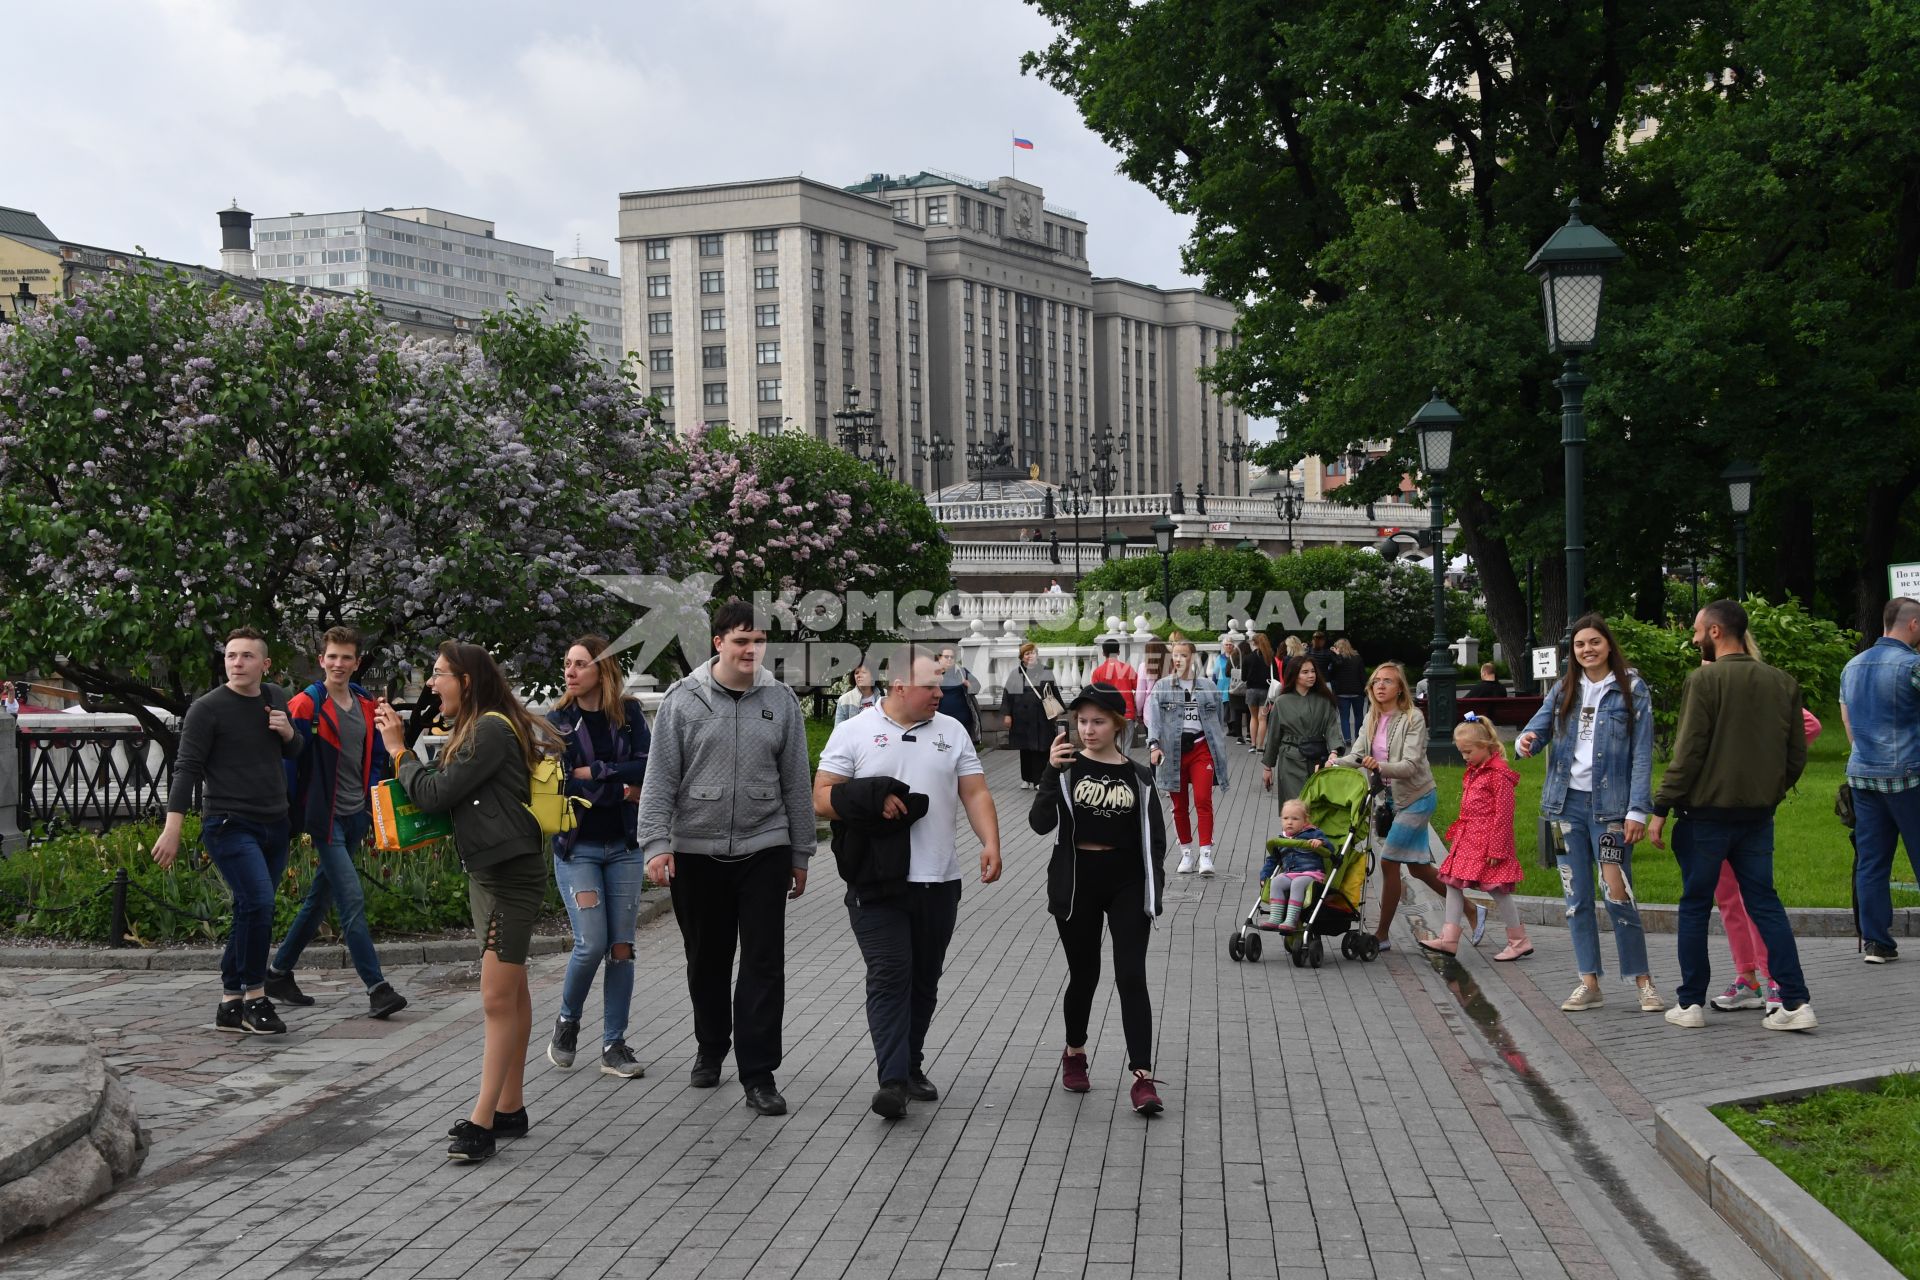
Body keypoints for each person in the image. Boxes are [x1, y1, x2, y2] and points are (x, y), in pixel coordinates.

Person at [374, 641, 552, 1162]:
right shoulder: (479, 728)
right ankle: (511, 1108)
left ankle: (481, 1122)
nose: (432, 683)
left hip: (510, 877)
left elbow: (433, 794)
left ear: (467, 680)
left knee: (497, 999)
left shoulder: (490, 728)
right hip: (490, 871)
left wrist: (399, 751)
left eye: (439, 674)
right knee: (511, 993)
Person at [637, 600, 816, 1116]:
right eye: (741, 640)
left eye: (758, 641)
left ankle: (759, 1073)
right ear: (718, 643)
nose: (750, 650)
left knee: (763, 962)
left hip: (766, 846)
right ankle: (711, 1045)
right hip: (696, 850)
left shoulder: (780, 701)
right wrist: (656, 845)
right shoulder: (683, 700)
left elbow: (796, 784)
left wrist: (800, 852)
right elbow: (660, 778)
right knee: (707, 960)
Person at [815, 648, 1003, 1119]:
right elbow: (821, 798)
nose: (941, 692)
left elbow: (975, 791)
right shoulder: (853, 731)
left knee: (923, 979)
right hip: (875, 880)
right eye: (932, 685)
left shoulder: (952, 731)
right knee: (889, 976)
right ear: (899, 686)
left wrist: (991, 843)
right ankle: (892, 1081)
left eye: (942, 684)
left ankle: (911, 1064)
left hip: (939, 877)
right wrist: (869, 801)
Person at [1648, 601, 1814, 1033]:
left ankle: (1690, 1003)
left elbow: (1688, 752)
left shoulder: (1704, 680)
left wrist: (1661, 807)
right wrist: (1771, 790)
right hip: (1758, 815)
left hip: (1705, 816)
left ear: (1717, 632)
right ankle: (1795, 1002)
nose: (1694, 637)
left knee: (1695, 906)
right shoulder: (1782, 681)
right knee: (1765, 903)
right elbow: (1795, 754)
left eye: (1698, 630)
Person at [152, 627, 305, 1037]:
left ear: (265, 664)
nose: (237, 663)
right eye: (232, 656)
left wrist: (288, 732)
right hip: (228, 824)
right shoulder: (208, 709)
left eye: (247, 657)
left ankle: (229, 1003)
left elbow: (294, 750)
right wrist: (173, 829)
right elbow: (187, 769)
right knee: (259, 903)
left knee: (249, 910)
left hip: (276, 823)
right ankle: (256, 997)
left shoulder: (274, 697)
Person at [1515, 614, 1664, 1013]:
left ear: (1608, 645)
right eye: (1580, 645)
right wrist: (1526, 741)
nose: (1587, 650)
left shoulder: (1631, 688)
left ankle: (1643, 982)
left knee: (1618, 894)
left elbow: (1643, 754)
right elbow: (1534, 731)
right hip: (1565, 810)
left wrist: (1637, 809)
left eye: (1594, 642)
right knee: (1575, 898)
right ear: (1573, 652)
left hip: (1611, 812)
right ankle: (1588, 982)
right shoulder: (1566, 688)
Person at [1030, 683, 1167, 1114]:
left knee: (1131, 976)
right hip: (1078, 883)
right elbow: (1038, 824)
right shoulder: (1067, 768)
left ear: (1118, 725)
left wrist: (1153, 888)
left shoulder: (1139, 775)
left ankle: (1142, 1077)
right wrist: (1050, 772)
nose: (1088, 730)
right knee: (1085, 974)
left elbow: (1155, 839)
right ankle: (1075, 1053)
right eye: (1082, 721)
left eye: (1098, 722)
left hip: (1126, 882)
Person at [265, 626, 408, 1021]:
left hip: (355, 815)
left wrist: (371, 809)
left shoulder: (366, 704)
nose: (339, 664)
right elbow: (286, 761)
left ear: (357, 662)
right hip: (324, 819)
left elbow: (376, 758)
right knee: (352, 899)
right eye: (332, 656)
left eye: (346, 657)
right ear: (321, 659)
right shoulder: (305, 705)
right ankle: (377, 988)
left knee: (320, 899)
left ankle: (278, 973)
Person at [544, 635, 653, 1079]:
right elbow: (564, 781)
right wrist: (622, 790)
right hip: (578, 848)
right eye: (567, 663)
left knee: (622, 948)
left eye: (580, 664)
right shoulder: (558, 720)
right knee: (591, 942)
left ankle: (614, 1044)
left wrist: (601, 774)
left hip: (624, 848)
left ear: (601, 670)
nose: (570, 672)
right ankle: (568, 1021)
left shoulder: (627, 715)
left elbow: (650, 766)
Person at [1328, 662, 1458, 952]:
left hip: (1417, 797)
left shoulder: (1413, 718)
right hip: (1388, 800)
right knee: (1419, 869)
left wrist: (1379, 766)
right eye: (1376, 681)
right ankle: (1472, 910)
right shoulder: (1372, 717)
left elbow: (1411, 766)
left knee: (1388, 862)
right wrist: (1333, 762)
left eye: (1388, 681)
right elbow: (1358, 754)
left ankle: (1382, 934)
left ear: (1400, 688)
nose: (1381, 685)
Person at [1839, 596, 1920, 966]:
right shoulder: (1912, 666)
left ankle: (1876, 942)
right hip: (1907, 776)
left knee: (1871, 862)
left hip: (1863, 775)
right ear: (1913, 624)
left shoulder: (1852, 666)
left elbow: (1847, 722)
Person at [1420, 718, 1530, 958]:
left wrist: (1497, 849)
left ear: (1485, 745)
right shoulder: (1477, 771)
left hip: (1488, 843)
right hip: (1469, 840)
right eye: (1462, 752)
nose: (1464, 757)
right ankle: (1449, 938)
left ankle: (1518, 940)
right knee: (1452, 883)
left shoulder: (1498, 775)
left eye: (1468, 751)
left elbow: (1503, 814)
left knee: (1498, 890)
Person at [1145, 639, 1231, 876]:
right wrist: (1153, 746)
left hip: (1201, 749)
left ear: (1193, 657)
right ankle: (1186, 853)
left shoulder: (1208, 687)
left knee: (1203, 800)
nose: (1178, 659)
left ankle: (1205, 855)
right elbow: (1153, 720)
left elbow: (1218, 719)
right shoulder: (1162, 687)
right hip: (1172, 752)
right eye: (1175, 655)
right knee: (1179, 805)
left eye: (1183, 654)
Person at [1262, 655, 1339, 818]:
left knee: (1316, 807)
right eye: (1305, 672)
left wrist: (1334, 752)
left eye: (1313, 671)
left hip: (1319, 761)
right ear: (1295, 675)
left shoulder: (1324, 700)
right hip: (1290, 760)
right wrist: (1268, 767)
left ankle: (1313, 840)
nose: (1311, 675)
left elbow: (1332, 728)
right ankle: (1294, 841)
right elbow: (1274, 736)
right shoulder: (1282, 702)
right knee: (1295, 808)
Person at [1259, 799, 1332, 933]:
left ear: (1305, 821)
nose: (1289, 822)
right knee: (1276, 882)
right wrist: (1264, 876)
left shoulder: (1312, 833)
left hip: (1311, 874)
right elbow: (1272, 860)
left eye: (1295, 818)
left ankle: (1291, 920)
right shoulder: (1281, 839)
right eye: (1285, 818)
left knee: (1297, 883)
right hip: (1290, 874)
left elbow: (1330, 847)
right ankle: (1275, 918)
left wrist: (1320, 842)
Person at [1004, 642, 1062, 791]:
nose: (1030, 656)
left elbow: (1053, 691)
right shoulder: (1016, 673)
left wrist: (1055, 711)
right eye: (1027, 653)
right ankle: (1026, 778)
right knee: (1025, 749)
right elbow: (1008, 695)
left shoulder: (1045, 671)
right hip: (1021, 717)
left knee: (1041, 749)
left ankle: (1039, 780)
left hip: (1041, 716)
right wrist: (1007, 714)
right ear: (1022, 657)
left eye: (1033, 652)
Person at [935, 645, 980, 744]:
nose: (950, 659)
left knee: (964, 748)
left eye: (952, 657)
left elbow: (977, 687)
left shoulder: (961, 671)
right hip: (941, 720)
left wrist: (967, 683)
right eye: (946, 657)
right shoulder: (933, 673)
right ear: (939, 658)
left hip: (963, 719)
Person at [1089, 639, 1139, 724]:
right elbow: (1139, 688)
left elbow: (1095, 695)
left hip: (1107, 714)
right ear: (1118, 652)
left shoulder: (1097, 672)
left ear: (1103, 653)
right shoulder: (1128, 669)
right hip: (1127, 713)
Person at [1330, 639, 1366, 746]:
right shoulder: (1357, 658)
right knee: (1359, 716)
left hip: (1342, 692)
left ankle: (1347, 739)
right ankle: (1358, 737)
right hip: (1357, 691)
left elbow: (1332, 674)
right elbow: (1362, 676)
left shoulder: (1337, 660)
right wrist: (1365, 690)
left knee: (1344, 717)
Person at [1244, 633, 1274, 755]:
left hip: (1251, 690)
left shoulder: (1248, 657)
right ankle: (1261, 747)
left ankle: (1252, 745)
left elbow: (1243, 677)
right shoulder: (1269, 657)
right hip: (1266, 691)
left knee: (1253, 717)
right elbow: (1275, 676)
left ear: (1254, 643)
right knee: (1263, 719)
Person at [1212, 640, 1244, 744]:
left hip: (1234, 684)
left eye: (1230, 644)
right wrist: (1213, 685)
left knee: (1233, 706)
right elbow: (1215, 673)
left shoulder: (1237, 657)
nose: (1229, 646)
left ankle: (1234, 729)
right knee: (1225, 706)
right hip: (1222, 684)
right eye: (1226, 644)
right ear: (1223, 646)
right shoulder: (1219, 658)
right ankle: (1230, 728)